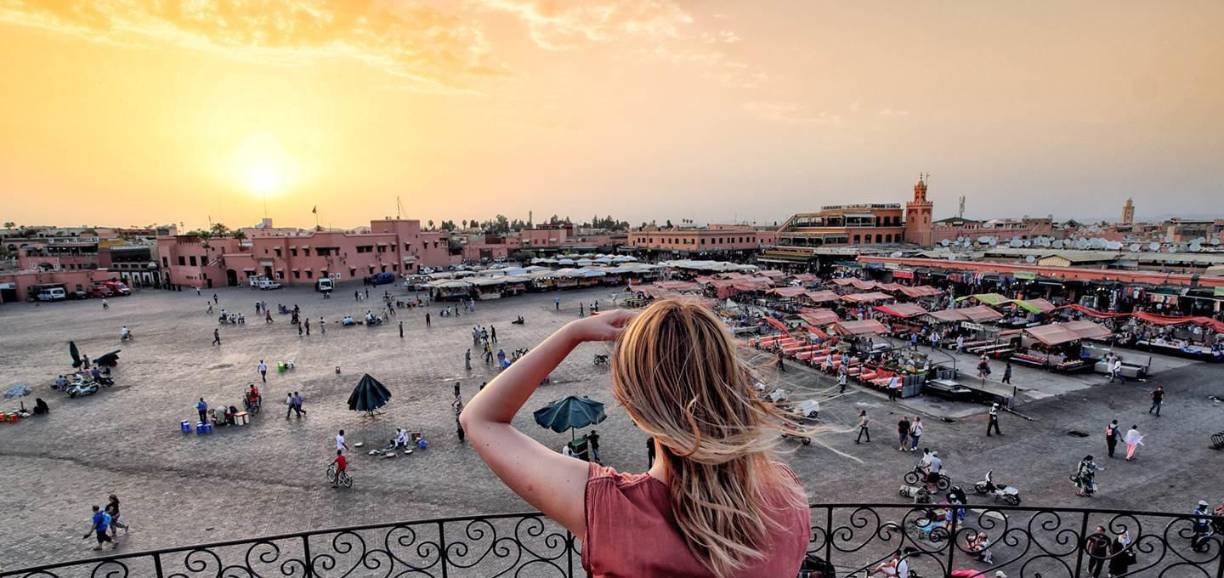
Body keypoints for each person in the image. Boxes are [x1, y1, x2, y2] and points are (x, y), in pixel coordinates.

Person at [460, 301, 811, 577]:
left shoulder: (611, 510)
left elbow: (480, 418)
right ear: (732, 383)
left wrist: (572, 333)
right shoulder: (786, 498)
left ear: (631, 405)